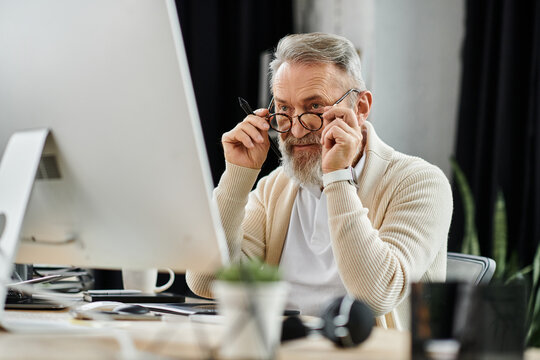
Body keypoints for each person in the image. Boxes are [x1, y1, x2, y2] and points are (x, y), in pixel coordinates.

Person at [186, 32, 453, 330]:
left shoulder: (421, 183)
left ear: (361, 108)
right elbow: (206, 281)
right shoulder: (276, 187)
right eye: (284, 110)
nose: (297, 131)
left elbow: (376, 295)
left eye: (315, 108)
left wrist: (338, 176)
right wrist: (238, 176)